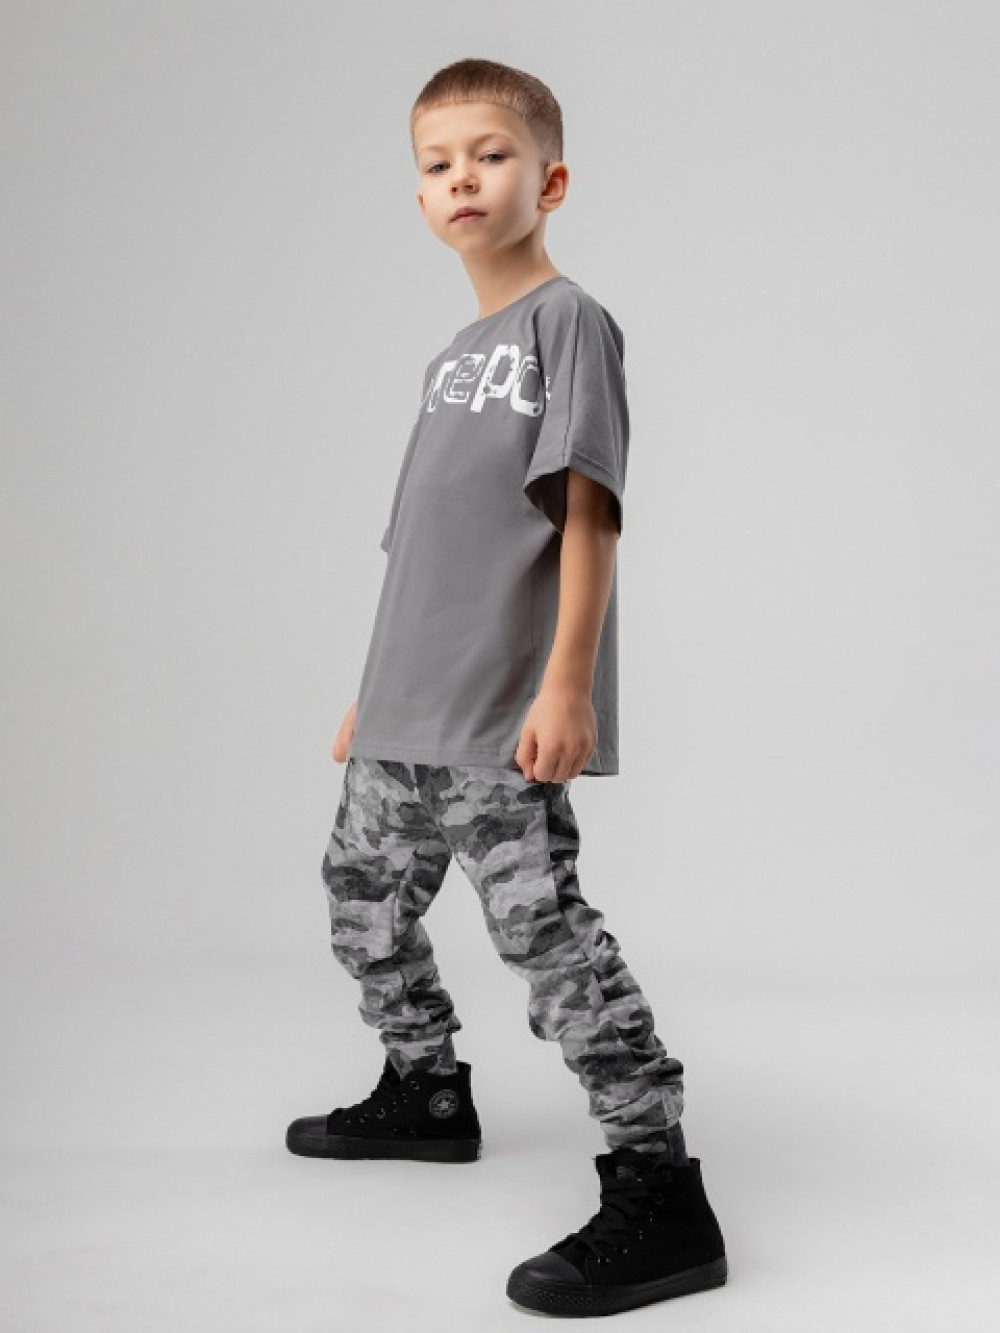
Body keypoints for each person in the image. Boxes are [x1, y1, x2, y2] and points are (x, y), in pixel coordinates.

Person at [285, 57, 728, 1318]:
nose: (461, 179)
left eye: (489, 155)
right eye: (436, 164)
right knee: (360, 905)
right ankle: (425, 1092)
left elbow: (588, 513)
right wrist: (371, 691)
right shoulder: (450, 357)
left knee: (550, 946)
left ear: (551, 180)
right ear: (419, 195)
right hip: (404, 710)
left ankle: (661, 1189)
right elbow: (422, 545)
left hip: (496, 714)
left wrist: (567, 685)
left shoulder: (564, 321)